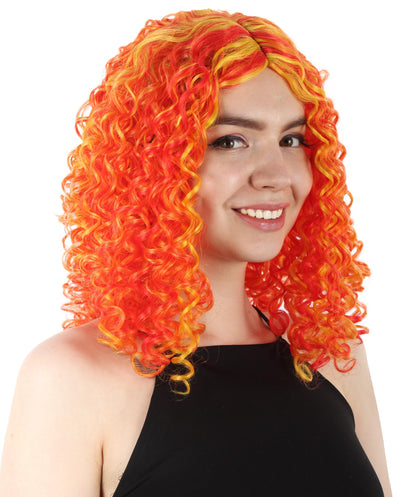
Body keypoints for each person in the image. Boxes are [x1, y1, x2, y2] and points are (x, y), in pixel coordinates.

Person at [0, 9, 391, 497]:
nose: (277, 174)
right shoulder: (71, 376)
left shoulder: (332, 355)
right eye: (231, 141)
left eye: (292, 139)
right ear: (152, 163)